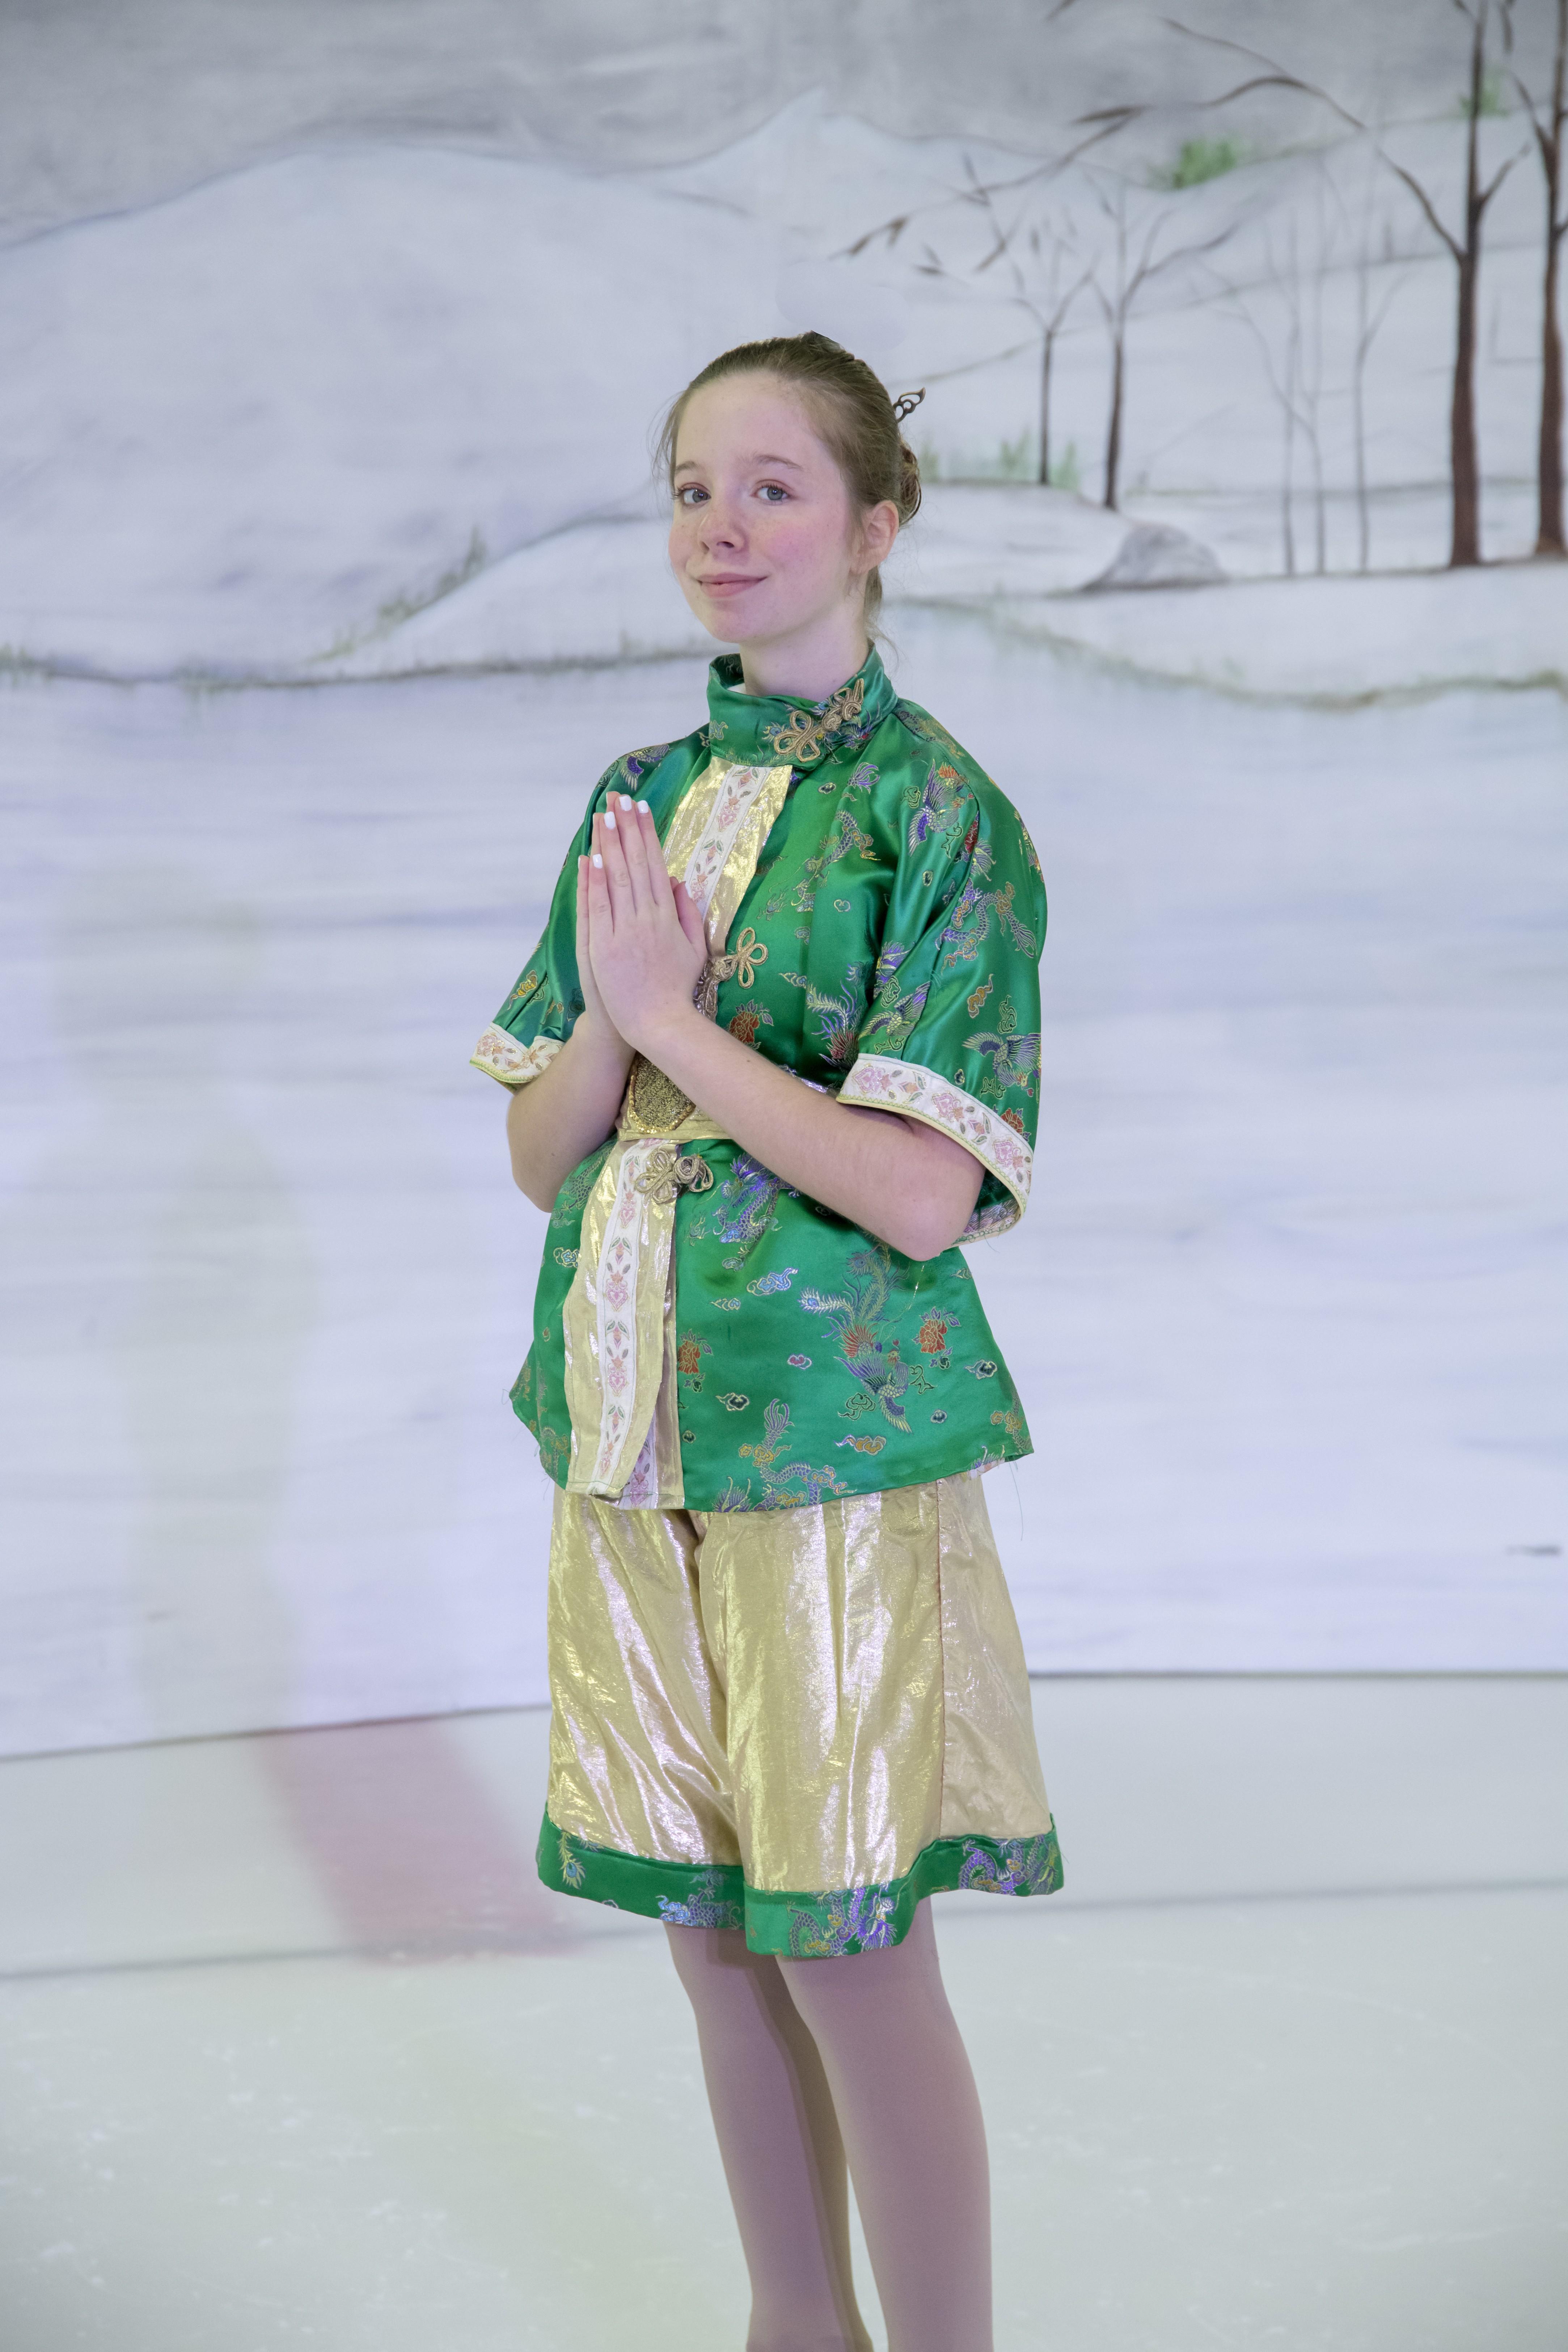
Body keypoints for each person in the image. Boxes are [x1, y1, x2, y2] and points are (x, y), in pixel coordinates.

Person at [473, 331, 1061, 2352]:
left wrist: (676, 1022)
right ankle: (793, 2327)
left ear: (878, 523)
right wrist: (613, 1012)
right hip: (629, 1429)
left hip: (829, 1455)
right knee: (716, 1935)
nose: (719, 528)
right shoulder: (637, 799)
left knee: (852, 1948)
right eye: (692, 488)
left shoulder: (939, 814)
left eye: (773, 487)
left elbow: (923, 1193)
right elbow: (543, 1153)